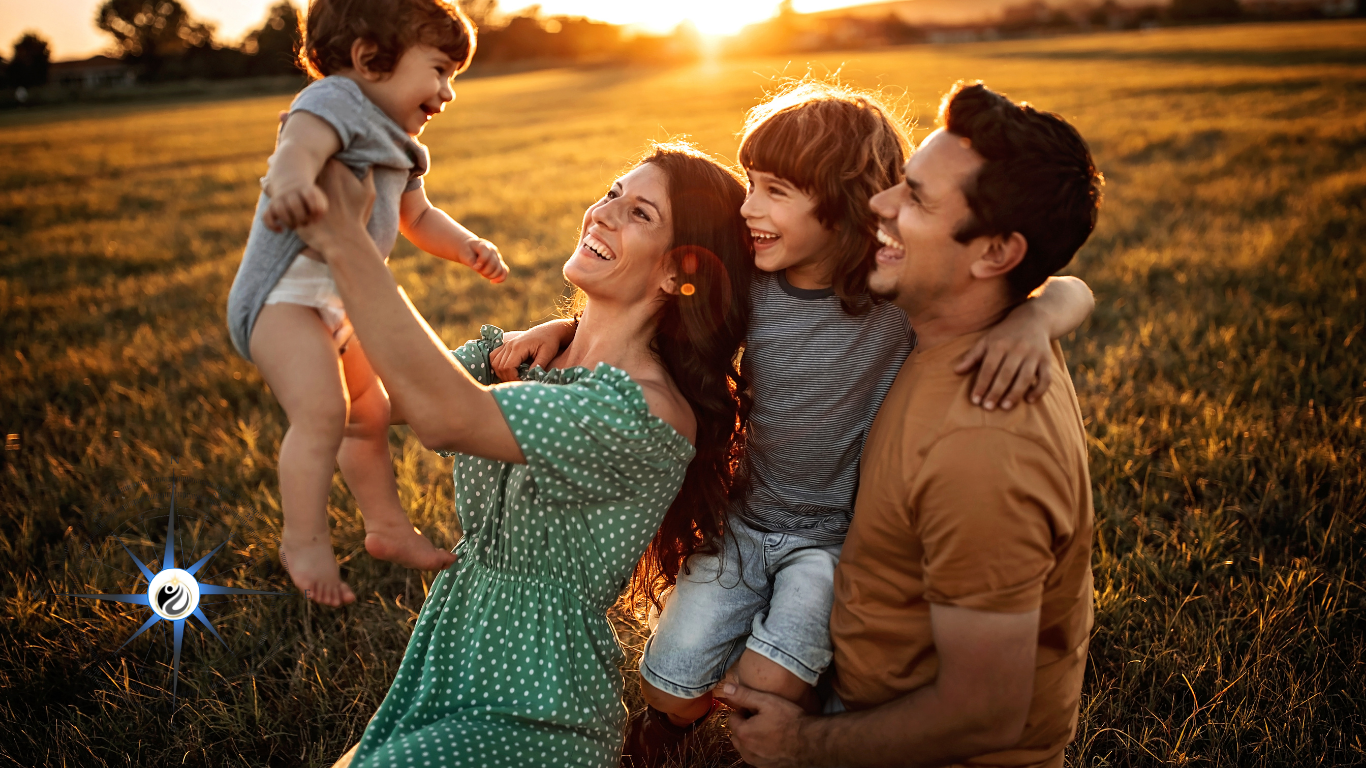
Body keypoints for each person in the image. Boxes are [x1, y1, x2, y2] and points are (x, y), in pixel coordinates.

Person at [495, 81, 1096, 767]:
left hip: (824, 542)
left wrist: (1036, 317)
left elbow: (1060, 284)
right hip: (749, 517)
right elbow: (676, 317)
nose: (884, 205)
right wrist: (566, 326)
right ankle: (675, 720)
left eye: (916, 197)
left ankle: (785, 693)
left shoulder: (923, 346)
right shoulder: (770, 279)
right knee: (670, 678)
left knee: (771, 680)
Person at [296, 141, 755, 768]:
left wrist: (349, 247)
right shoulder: (531, 359)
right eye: (613, 193)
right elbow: (368, 400)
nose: (603, 212)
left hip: (540, 708)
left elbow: (448, 416)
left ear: (679, 272)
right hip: (448, 660)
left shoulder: (646, 411)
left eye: (640, 214)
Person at [718, 80, 1103, 768]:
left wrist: (801, 744)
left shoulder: (983, 447)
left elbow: (985, 712)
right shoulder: (955, 332)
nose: (878, 202)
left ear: (994, 255)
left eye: (915, 198)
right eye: (902, 182)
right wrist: (1041, 311)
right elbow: (1065, 288)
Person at [225, 0, 510, 606]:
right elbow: (296, 150)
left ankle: (386, 527)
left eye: (453, 77)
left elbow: (418, 216)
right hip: (284, 299)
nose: (447, 92)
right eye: (438, 70)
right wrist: (295, 185)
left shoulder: (403, 144)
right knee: (324, 411)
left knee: (369, 414)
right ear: (368, 59)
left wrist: (467, 247)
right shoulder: (333, 102)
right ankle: (302, 541)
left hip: (339, 300)